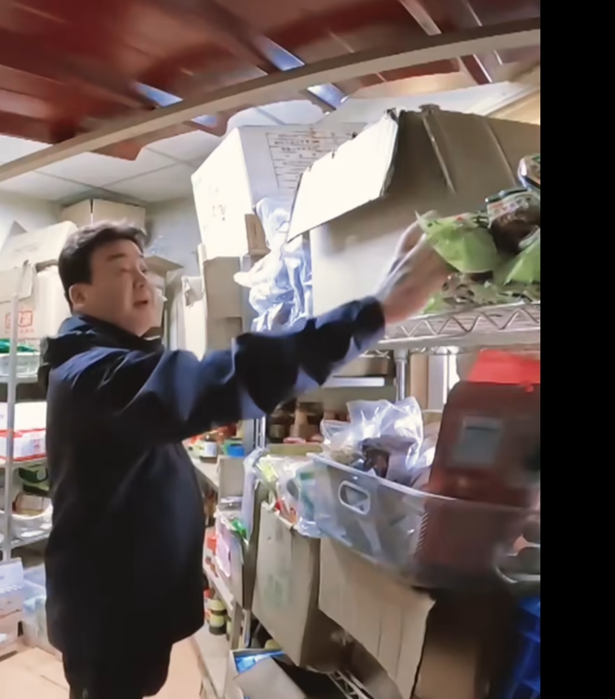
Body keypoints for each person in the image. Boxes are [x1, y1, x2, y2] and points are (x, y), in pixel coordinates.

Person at [40, 222, 452, 699]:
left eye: (143, 267)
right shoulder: (93, 375)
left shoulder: (106, 363)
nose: (141, 280)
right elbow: (226, 377)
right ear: (80, 296)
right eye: (120, 270)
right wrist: (373, 314)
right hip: (108, 611)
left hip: (126, 599)